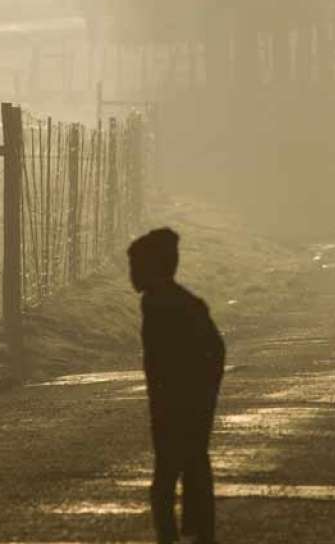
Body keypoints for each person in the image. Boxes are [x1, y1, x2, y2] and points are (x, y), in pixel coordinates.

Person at [129, 228, 226, 544]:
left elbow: (209, 354)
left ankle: (176, 536)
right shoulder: (173, 302)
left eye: (137, 266)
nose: (132, 274)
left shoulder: (168, 306)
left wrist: (197, 393)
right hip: (183, 400)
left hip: (179, 402)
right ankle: (199, 532)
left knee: (170, 475)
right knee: (192, 464)